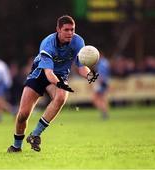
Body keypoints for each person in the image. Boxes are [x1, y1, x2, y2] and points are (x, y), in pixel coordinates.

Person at [7, 15, 98, 153]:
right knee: (23, 114)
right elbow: (48, 73)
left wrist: (89, 74)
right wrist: (60, 84)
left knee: (61, 97)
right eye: (66, 30)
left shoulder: (78, 42)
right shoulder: (47, 43)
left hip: (60, 75)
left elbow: (80, 67)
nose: (70, 33)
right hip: (40, 74)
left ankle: (35, 134)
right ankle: (16, 146)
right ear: (58, 30)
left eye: (72, 29)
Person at [92, 52, 110, 120]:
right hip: (105, 82)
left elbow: (101, 74)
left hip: (101, 82)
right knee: (103, 99)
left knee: (95, 99)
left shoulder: (101, 64)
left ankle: (104, 112)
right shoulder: (105, 62)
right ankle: (105, 112)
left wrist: (100, 82)